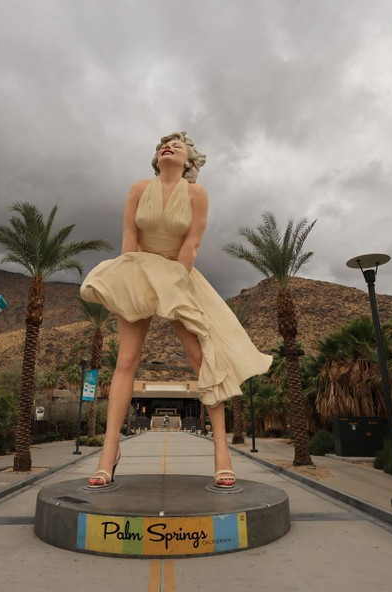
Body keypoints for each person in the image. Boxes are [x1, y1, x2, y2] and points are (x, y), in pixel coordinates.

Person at [80, 131, 272, 489]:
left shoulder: (197, 194)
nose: (167, 147)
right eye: (162, 145)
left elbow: (192, 244)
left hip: (179, 275)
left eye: (177, 146)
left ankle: (221, 451)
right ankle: (109, 451)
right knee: (126, 359)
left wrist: (172, 286)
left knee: (200, 358)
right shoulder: (138, 188)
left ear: (188, 162)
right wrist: (130, 281)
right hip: (139, 270)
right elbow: (128, 240)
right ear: (157, 158)